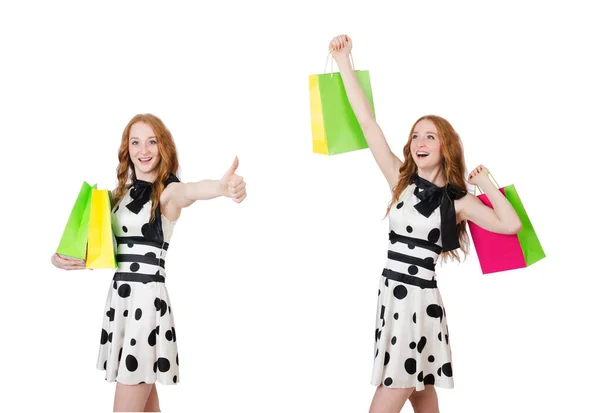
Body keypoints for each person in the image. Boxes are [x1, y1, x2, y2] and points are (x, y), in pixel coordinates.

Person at [328, 35, 522, 413]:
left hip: (419, 303)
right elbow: (367, 122)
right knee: (421, 395)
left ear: (444, 147)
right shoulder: (399, 180)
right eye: (415, 135)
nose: (419, 141)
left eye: (429, 136)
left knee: (388, 401)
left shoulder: (458, 203)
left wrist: (484, 184)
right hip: (392, 297)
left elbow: (510, 225)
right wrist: (343, 61)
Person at [51, 113, 247, 412]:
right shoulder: (118, 196)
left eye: (152, 142)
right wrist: (61, 258)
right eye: (136, 142)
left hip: (146, 306)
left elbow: (191, 190)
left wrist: (221, 188)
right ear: (126, 149)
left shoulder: (168, 192)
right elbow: (97, 250)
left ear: (163, 147)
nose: (144, 150)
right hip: (121, 302)